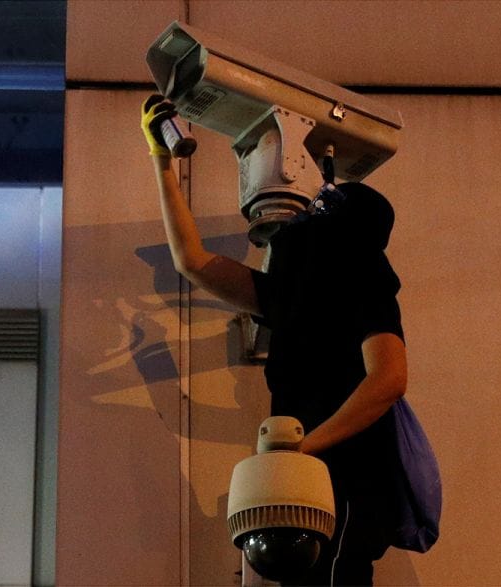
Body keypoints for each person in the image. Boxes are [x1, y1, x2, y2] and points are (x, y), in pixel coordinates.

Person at [141, 97, 408, 586]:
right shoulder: (294, 293)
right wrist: (161, 160)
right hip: (298, 480)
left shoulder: (361, 275)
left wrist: (304, 449)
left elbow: (388, 378)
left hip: (347, 476)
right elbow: (193, 261)